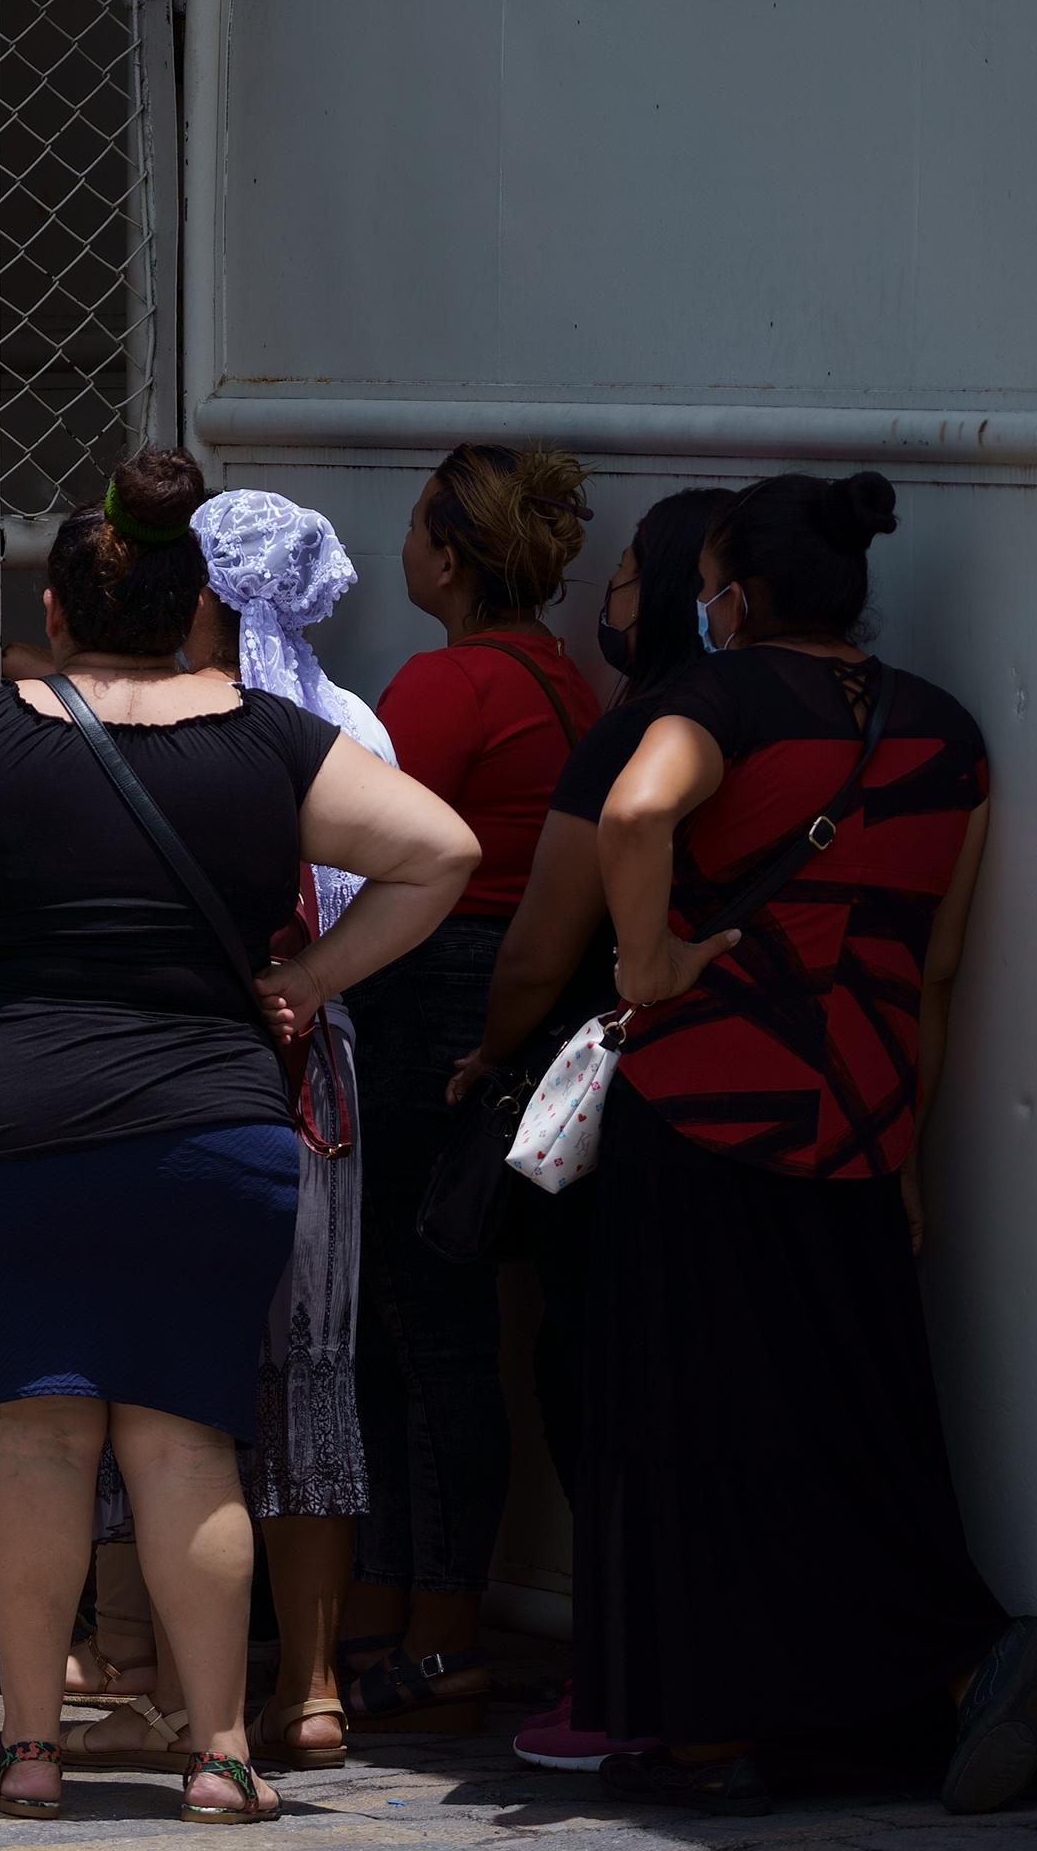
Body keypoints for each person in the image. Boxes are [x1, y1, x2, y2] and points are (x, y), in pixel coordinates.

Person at [0, 451, 479, 1824]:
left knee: (32, 1444)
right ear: (193, 604)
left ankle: (28, 1752)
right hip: (213, 1130)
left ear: (59, 604)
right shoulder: (273, 740)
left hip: (3, 1132)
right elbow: (438, 852)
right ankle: (218, 1757)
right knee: (190, 1443)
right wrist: (312, 985)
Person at [584, 470, 1037, 1817]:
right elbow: (937, 969)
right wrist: (904, 1154)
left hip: (701, 1108)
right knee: (849, 1426)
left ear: (731, 591)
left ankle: (706, 1731)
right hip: (858, 1116)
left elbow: (635, 813)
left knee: (692, 1429)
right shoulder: (951, 733)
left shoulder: (715, 698)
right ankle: (924, 1678)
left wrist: (650, 963)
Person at [72, 488, 398, 1781]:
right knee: (309, 1366)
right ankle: (310, 1689)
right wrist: (310, 984)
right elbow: (397, 884)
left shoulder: (151, 730)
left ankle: (140, 1674)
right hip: (316, 1074)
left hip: (163, 1072)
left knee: (143, 1374)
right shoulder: (350, 723)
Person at [447, 484, 726, 1773]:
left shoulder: (633, 742)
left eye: (625, 579)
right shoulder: (788, 725)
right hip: (767, 1112)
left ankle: (616, 1675)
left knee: (593, 1387)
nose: (605, 602)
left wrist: (486, 1055)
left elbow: (537, 949)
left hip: (616, 1113)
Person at [342, 442, 593, 1728]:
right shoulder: (565, 685)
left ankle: (437, 1630)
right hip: (517, 1014)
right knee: (423, 1323)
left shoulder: (446, 686)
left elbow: (363, 842)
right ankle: (392, 1608)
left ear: (446, 553)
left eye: (413, 525)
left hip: (434, 1005)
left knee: (417, 1324)